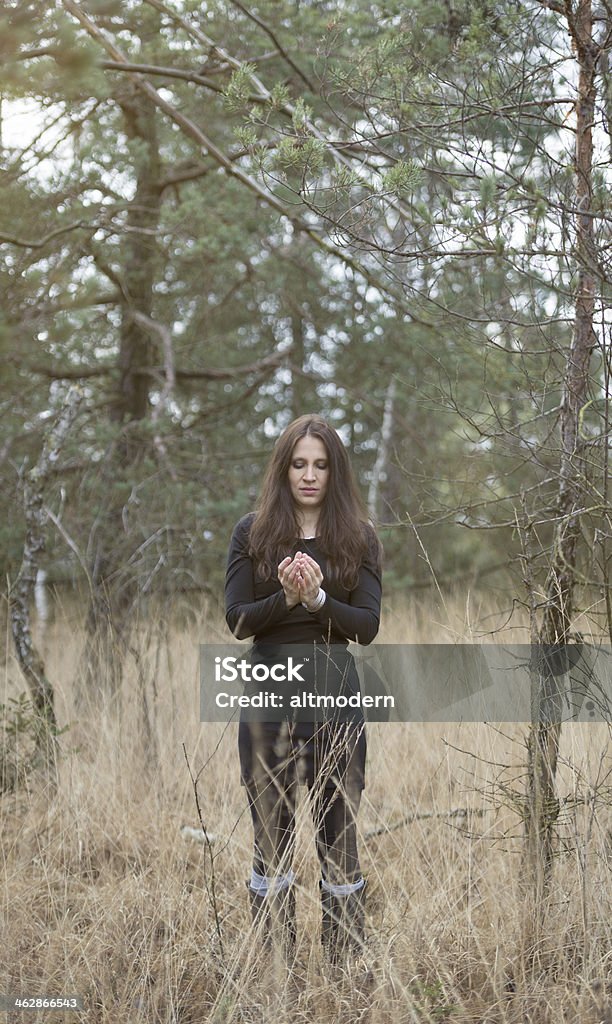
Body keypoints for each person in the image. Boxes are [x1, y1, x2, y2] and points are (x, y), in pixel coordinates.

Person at [225, 414, 382, 964]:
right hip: (268, 700)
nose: (309, 475)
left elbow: (366, 627)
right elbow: (239, 621)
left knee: (339, 840)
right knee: (272, 838)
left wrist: (318, 601)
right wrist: (287, 601)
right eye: (299, 464)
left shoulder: (358, 537)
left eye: (320, 464)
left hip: (337, 702)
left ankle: (344, 975)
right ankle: (276, 974)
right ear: (283, 468)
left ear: (334, 471)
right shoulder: (253, 533)